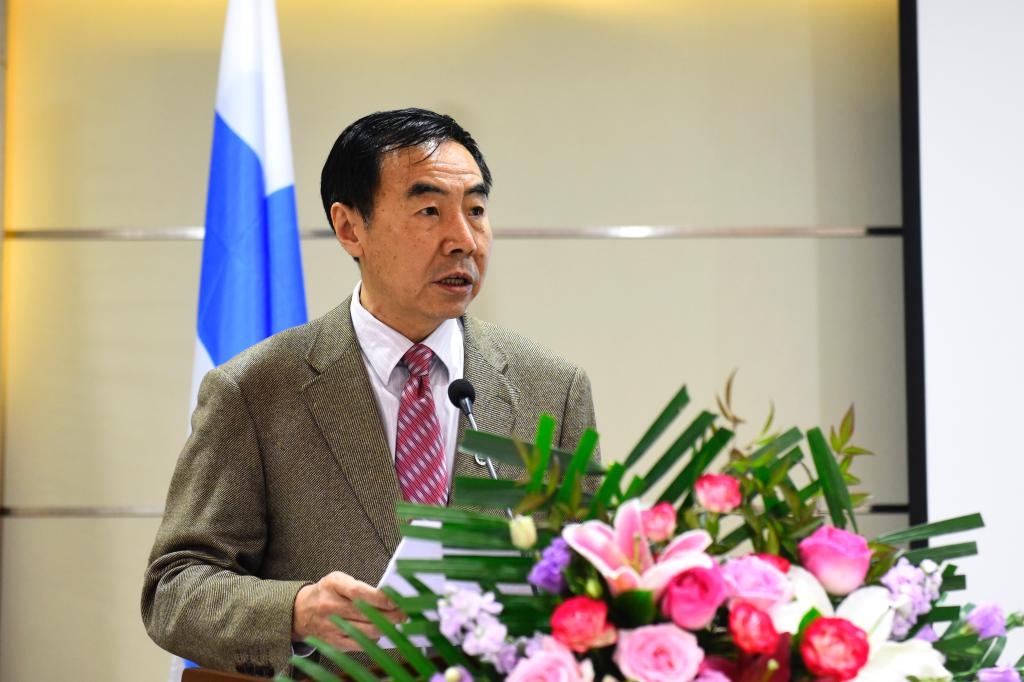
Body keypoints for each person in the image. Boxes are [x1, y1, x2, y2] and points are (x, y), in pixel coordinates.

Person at [141, 108, 598, 677]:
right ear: (350, 227)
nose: (464, 240)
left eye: (476, 210)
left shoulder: (551, 388)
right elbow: (174, 589)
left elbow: (589, 573)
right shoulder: (255, 391)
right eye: (429, 211)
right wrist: (295, 611)